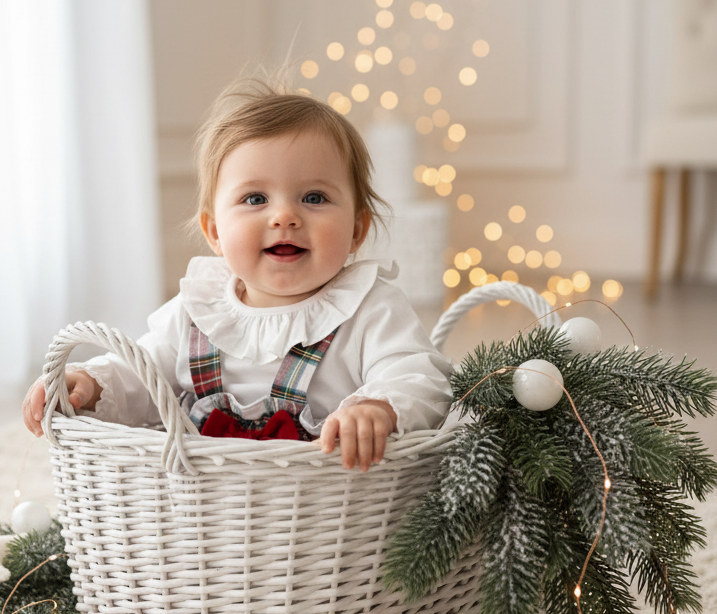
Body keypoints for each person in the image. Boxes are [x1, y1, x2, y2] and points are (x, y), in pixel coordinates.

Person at [22, 74, 452, 471]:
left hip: (326, 509)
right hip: (209, 512)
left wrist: (378, 407)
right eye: (255, 199)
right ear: (214, 232)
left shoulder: (369, 307)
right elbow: (143, 373)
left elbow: (420, 376)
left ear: (357, 229)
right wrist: (91, 384)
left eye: (315, 197)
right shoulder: (198, 311)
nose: (284, 216)